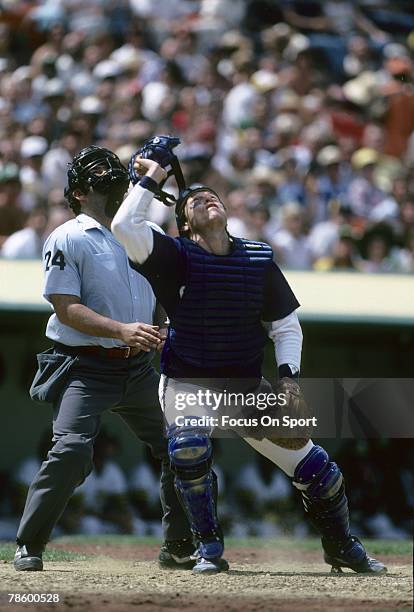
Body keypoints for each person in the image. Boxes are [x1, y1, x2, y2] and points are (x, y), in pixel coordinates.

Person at [111, 142, 387, 576]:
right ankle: (208, 547)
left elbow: (287, 326)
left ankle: (341, 547)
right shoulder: (175, 254)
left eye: (212, 195)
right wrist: (154, 176)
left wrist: (289, 381)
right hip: (188, 383)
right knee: (189, 447)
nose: (207, 198)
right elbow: (125, 224)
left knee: (320, 471)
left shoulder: (257, 258)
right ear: (184, 223)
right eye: (195, 200)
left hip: (245, 386)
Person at [13, 145, 194, 572]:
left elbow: (165, 290)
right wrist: (121, 329)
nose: (109, 173)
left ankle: (179, 544)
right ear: (78, 193)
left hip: (137, 367)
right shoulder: (67, 236)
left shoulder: (143, 228)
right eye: (95, 172)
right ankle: (30, 544)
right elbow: (65, 307)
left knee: (183, 445)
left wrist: (164, 324)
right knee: (72, 451)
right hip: (85, 367)